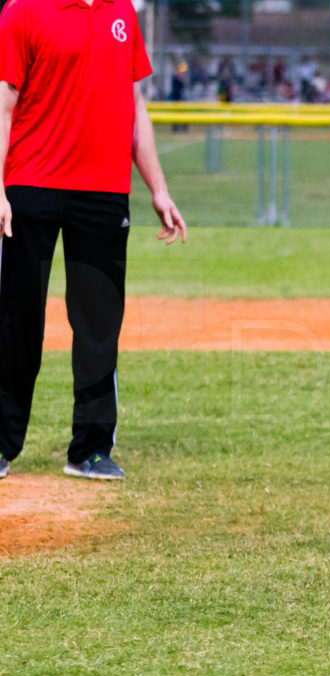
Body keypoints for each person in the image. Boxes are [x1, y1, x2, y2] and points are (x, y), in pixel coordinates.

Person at [0, 0, 187, 481]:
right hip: (31, 186)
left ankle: (90, 450)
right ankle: (1, 444)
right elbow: (4, 103)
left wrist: (159, 190)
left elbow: (135, 104)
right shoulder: (24, 11)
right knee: (17, 321)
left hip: (103, 192)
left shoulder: (122, 10)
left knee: (99, 325)